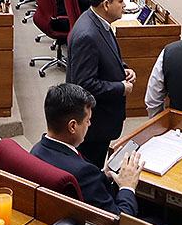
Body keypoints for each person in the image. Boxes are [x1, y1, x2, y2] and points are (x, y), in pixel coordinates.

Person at [30, 84, 143, 217]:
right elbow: (119, 220)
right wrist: (127, 186)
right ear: (72, 126)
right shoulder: (85, 173)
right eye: (87, 120)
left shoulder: (36, 150)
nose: (89, 124)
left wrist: (103, 174)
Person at [66, 0, 134, 167]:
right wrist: (120, 87)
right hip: (92, 125)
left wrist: (124, 68)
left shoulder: (98, 21)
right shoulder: (88, 34)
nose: (124, 5)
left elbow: (105, 54)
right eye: (120, 1)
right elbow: (84, 84)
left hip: (101, 120)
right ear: (106, 4)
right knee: (90, 169)